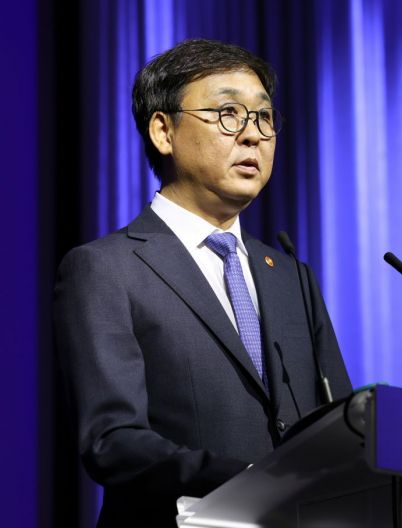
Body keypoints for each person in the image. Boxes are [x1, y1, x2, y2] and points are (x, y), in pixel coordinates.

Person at [54, 39, 352, 527]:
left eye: (264, 117)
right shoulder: (107, 268)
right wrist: (254, 480)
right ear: (163, 131)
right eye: (228, 114)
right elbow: (113, 442)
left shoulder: (291, 275)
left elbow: (343, 429)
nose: (253, 135)